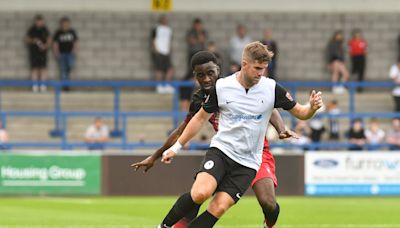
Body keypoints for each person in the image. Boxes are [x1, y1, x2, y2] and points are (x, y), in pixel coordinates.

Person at [157, 42, 323, 228]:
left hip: (248, 163)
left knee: (218, 207)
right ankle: (163, 226)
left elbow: (301, 112)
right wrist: (177, 147)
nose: (261, 73)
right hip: (221, 152)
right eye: (257, 68)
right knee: (200, 193)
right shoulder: (222, 87)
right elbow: (199, 119)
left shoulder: (271, 88)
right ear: (244, 64)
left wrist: (312, 108)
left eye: (264, 68)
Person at [180, 18, 209, 111]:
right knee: (186, 81)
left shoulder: (203, 32)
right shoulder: (190, 32)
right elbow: (191, 41)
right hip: (192, 55)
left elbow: (202, 40)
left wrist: (199, 33)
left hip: (201, 54)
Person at [25, 14, 51, 92]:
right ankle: (35, 86)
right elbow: (26, 39)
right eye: (38, 21)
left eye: (41, 21)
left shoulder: (45, 29)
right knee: (34, 69)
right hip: (33, 53)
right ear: (36, 21)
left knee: (43, 69)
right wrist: (34, 40)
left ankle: (43, 86)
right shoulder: (32, 29)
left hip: (43, 53)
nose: (39, 23)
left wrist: (45, 46)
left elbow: (50, 40)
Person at [53, 16, 79, 91]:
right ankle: (66, 87)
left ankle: (67, 80)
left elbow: (76, 42)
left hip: (70, 54)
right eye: (64, 24)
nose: (65, 25)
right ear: (61, 24)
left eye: (67, 23)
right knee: (63, 70)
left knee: (70, 66)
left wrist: (75, 51)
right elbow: (55, 43)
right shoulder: (58, 32)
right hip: (62, 54)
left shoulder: (72, 32)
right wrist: (56, 52)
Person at [151, 15, 174, 94]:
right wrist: (155, 49)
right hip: (159, 51)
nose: (165, 20)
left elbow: (169, 40)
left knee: (170, 69)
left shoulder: (169, 29)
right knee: (159, 70)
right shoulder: (156, 28)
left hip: (166, 52)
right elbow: (153, 39)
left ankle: (167, 85)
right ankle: (159, 86)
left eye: (166, 19)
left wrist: (169, 49)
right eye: (163, 19)